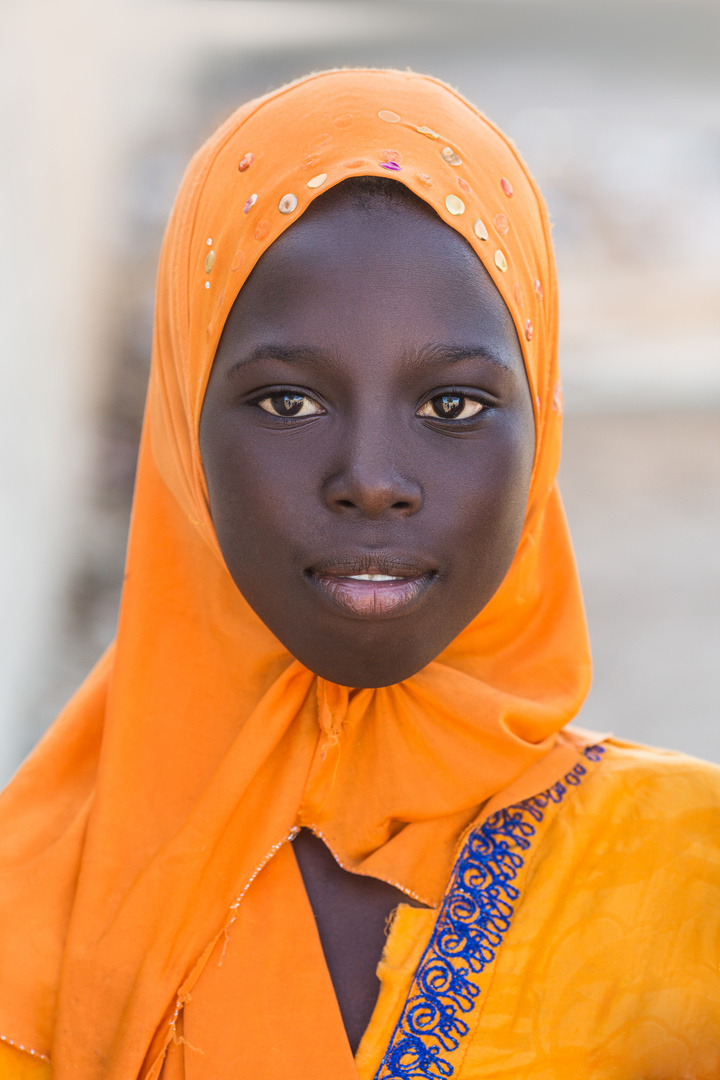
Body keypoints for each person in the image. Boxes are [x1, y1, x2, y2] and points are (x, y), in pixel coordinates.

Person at [0, 68, 718, 1080]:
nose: (372, 481)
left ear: (541, 430)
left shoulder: (687, 887)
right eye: (290, 403)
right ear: (181, 432)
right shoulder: (27, 923)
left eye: (453, 406)